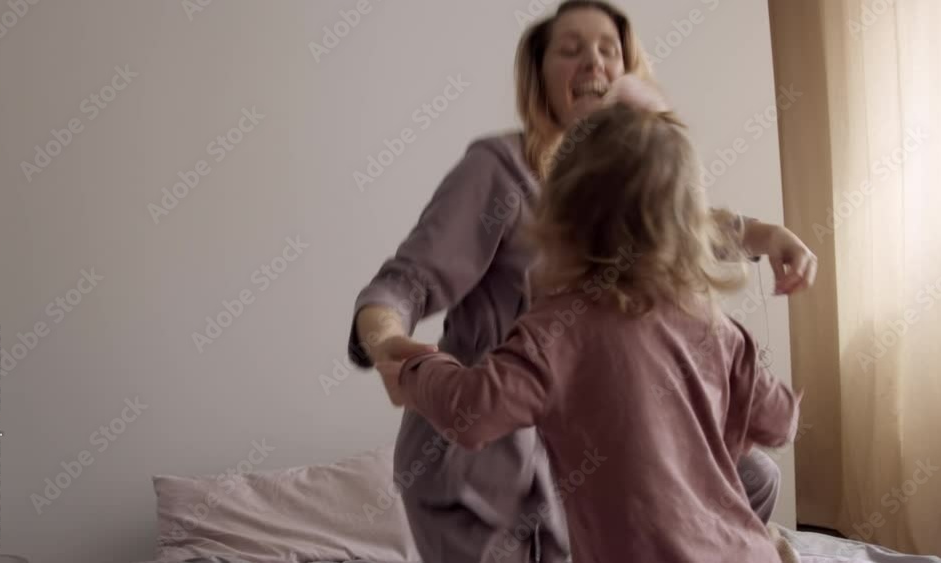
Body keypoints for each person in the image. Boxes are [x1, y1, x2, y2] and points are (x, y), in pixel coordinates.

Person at [346, 2, 817, 561]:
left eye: (608, 49)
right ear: (540, 77)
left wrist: (764, 234)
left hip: (580, 437)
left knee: (753, 475)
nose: (592, 61)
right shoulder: (499, 170)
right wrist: (392, 349)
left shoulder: (636, 202)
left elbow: (669, 228)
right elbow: (407, 285)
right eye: (570, 50)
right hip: (497, 454)